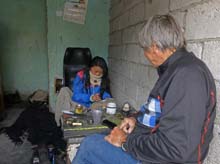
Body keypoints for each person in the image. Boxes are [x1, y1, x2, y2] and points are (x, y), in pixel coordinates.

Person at [72, 15, 216, 164]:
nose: (145, 55)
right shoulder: (175, 70)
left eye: (145, 50)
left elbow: (177, 149)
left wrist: (125, 142)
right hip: (149, 144)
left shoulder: (187, 76)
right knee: (101, 136)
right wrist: (135, 118)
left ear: (154, 47)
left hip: (159, 160)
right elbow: (160, 111)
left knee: (90, 146)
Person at [55, 56, 112, 126]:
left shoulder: (104, 80)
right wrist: (90, 97)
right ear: (90, 68)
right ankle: (61, 122)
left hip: (93, 107)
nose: (97, 74)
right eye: (96, 71)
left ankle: (83, 116)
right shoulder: (82, 76)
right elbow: (75, 96)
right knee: (64, 91)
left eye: (100, 73)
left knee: (108, 102)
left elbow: (106, 95)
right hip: (78, 104)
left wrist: (102, 98)